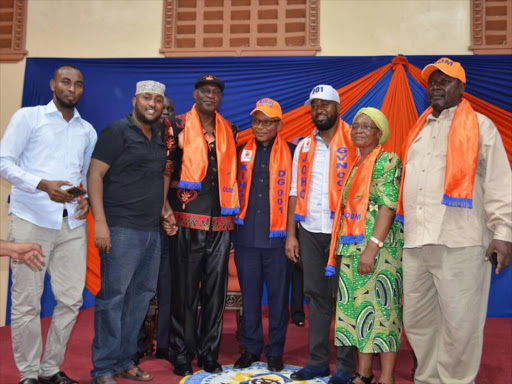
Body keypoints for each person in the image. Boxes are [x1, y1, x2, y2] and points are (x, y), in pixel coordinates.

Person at [399, 58, 512, 383]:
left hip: (460, 242)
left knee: (460, 324)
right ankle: (429, 379)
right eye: (432, 81)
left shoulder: (480, 126)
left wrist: (503, 231)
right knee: (418, 321)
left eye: (445, 81)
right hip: (417, 243)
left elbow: (499, 182)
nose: (436, 86)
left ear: (461, 88)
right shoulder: (418, 130)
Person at [0, 65, 97, 384]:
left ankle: (50, 368)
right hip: (31, 220)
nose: (72, 88)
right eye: (66, 82)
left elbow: (80, 175)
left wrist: (83, 198)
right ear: (53, 84)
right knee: (27, 300)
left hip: (72, 225)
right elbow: (4, 163)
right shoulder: (28, 117)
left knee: (71, 299)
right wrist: (42, 185)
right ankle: (29, 373)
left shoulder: (87, 130)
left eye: (79, 84)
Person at [88, 80, 171, 384]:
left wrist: (164, 209)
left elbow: (162, 175)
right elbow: (95, 175)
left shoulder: (160, 135)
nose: (153, 104)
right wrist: (100, 222)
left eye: (158, 100)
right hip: (120, 229)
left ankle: (124, 361)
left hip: (151, 231)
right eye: (147, 98)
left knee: (140, 299)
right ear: (135, 100)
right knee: (113, 299)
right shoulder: (116, 131)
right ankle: (103, 368)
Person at [162, 75, 239, 376]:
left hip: (221, 220)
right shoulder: (177, 125)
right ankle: (181, 353)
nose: (210, 96)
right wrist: (163, 206)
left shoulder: (229, 129)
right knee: (184, 291)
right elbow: (166, 168)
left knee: (215, 293)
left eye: (216, 92)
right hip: (185, 217)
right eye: (205, 91)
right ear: (195, 94)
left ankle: (209, 353)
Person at [285, 85, 357, 382]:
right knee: (316, 296)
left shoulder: (354, 139)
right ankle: (317, 362)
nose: (319, 110)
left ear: (337, 108)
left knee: (346, 297)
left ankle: (345, 366)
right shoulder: (303, 146)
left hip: (346, 232)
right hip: (311, 230)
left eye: (325, 105)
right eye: (314, 105)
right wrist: (292, 235)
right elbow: (292, 192)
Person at [325, 108, 403, 384]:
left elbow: (387, 208)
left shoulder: (387, 161)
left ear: (379, 133)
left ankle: (388, 378)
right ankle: (364, 373)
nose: (358, 130)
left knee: (383, 313)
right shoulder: (356, 165)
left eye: (366, 127)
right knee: (359, 312)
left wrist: (372, 248)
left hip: (379, 252)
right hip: (351, 250)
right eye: (356, 126)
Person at [232, 98, 294, 372]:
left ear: (278, 124)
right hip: (246, 238)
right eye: (257, 121)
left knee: (279, 299)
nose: (260, 126)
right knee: (251, 297)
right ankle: (251, 348)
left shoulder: (293, 152)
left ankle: (276, 351)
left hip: (278, 240)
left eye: (267, 121)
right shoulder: (238, 153)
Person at [134, 94, 176, 364]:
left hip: (172, 224)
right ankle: (136, 343)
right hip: (140, 223)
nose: (164, 114)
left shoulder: (178, 144)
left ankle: (166, 342)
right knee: (138, 286)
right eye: (162, 108)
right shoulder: (138, 139)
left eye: (169, 110)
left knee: (169, 284)